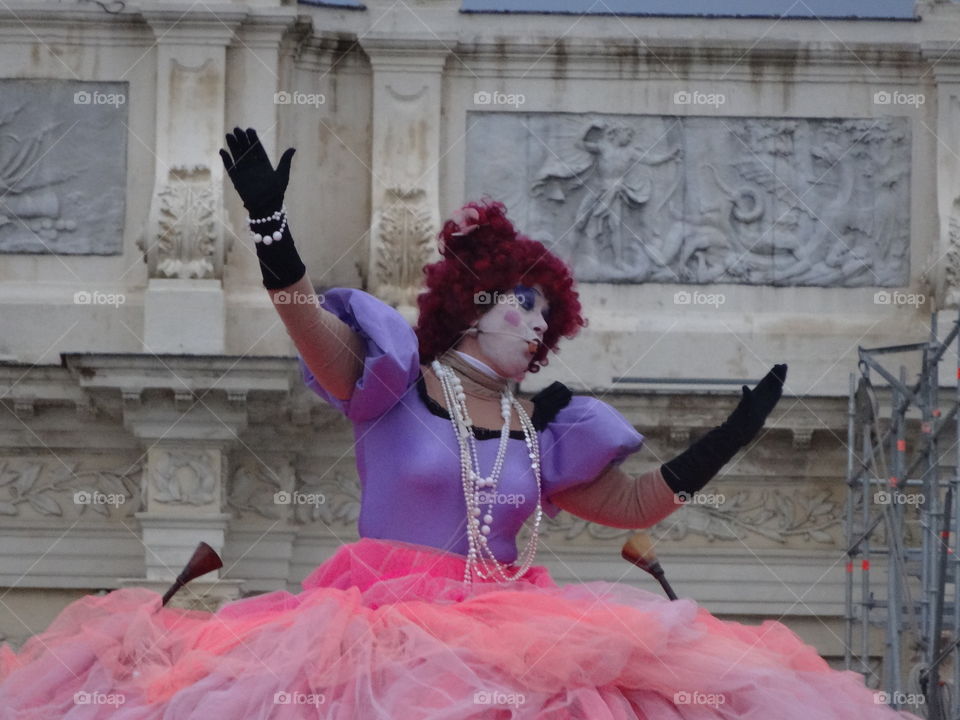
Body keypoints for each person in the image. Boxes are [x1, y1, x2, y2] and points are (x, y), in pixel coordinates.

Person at [0, 127, 919, 720]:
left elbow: (637, 505)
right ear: (472, 304)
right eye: (522, 304)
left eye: (546, 315)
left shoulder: (542, 430)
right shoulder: (394, 383)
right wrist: (274, 230)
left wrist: (730, 436)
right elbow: (311, 330)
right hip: (371, 637)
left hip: (513, 631)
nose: (536, 326)